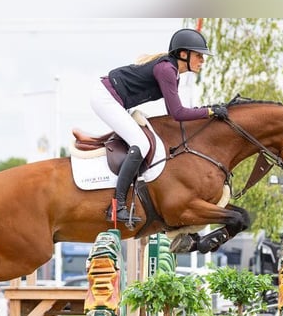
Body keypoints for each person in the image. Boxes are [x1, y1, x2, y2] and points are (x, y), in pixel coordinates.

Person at [90, 27, 229, 225]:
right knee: (142, 143)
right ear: (183, 54)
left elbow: (174, 113)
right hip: (104, 97)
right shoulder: (166, 70)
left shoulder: (172, 71)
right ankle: (117, 206)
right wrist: (209, 111)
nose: (203, 61)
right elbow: (178, 113)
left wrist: (208, 111)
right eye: (199, 56)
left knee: (145, 138)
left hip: (114, 99)